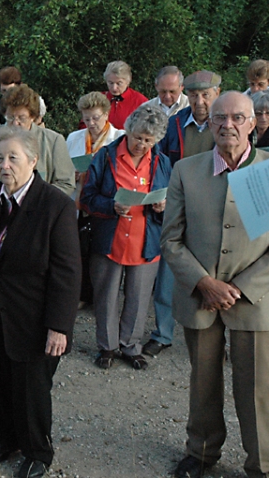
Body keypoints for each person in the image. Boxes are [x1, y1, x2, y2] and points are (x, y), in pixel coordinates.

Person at [0, 128, 80, 476]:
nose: (5, 165)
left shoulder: (56, 205)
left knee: (32, 389)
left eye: (13, 157)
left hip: (34, 317)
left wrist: (59, 326)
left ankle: (37, 451)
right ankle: (7, 437)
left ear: (33, 160)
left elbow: (67, 273)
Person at [162, 91, 269, 478]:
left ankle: (262, 463)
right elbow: (170, 239)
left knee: (256, 388)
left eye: (238, 118)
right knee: (202, 380)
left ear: (253, 122)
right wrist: (204, 283)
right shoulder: (185, 171)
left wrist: (238, 287)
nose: (229, 125)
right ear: (209, 123)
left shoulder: (268, 170)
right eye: (220, 118)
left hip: (255, 300)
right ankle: (202, 451)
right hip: (200, 297)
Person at [80, 104, 171, 370]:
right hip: (110, 238)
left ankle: (131, 346)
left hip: (146, 238)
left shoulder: (162, 162)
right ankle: (107, 346)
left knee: (139, 297)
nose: (142, 144)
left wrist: (163, 206)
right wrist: (111, 206)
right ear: (128, 131)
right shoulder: (105, 157)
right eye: (138, 138)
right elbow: (87, 198)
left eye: (148, 140)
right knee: (106, 295)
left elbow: (175, 200)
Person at [143, 70, 221, 357]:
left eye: (205, 95)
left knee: (212, 275)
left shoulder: (225, 126)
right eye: (193, 95)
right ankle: (163, 334)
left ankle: (213, 336)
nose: (199, 101)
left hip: (214, 212)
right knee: (167, 276)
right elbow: (158, 164)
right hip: (175, 209)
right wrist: (161, 194)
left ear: (217, 93)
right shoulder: (174, 124)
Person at [66, 92, 124, 304]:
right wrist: (71, 174)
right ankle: (81, 294)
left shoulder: (119, 138)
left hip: (105, 201)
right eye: (86, 118)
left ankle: (102, 297)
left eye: (96, 118)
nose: (91, 123)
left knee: (102, 254)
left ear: (107, 114)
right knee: (79, 250)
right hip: (79, 200)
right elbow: (64, 168)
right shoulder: (74, 138)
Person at [0, 84, 75, 200]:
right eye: (10, 117)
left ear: (33, 117)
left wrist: (39, 196)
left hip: (36, 213)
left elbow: (66, 183)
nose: (15, 123)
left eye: (22, 118)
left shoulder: (53, 141)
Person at [102, 61, 148, 129]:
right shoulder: (99, 99)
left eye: (119, 83)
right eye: (110, 83)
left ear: (127, 81)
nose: (114, 88)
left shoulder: (140, 101)